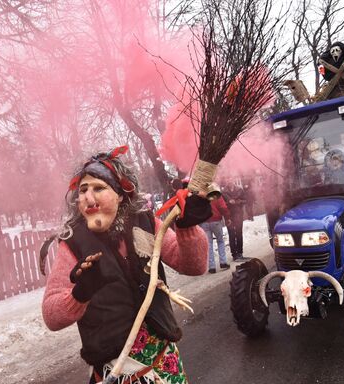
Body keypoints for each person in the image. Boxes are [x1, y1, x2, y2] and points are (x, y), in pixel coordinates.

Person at [41, 146, 210, 384]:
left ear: (121, 194)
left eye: (99, 188)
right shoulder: (73, 243)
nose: (88, 198)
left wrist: (187, 228)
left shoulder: (146, 222)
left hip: (164, 366)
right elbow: (51, 315)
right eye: (83, 190)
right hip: (117, 374)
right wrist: (79, 295)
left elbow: (194, 265)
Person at [199, 192, 231, 273]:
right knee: (220, 241)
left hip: (204, 222)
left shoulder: (199, 195)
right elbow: (223, 207)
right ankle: (223, 262)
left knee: (209, 244)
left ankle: (212, 267)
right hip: (216, 220)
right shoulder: (215, 194)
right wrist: (227, 218)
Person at [223, 180, 247, 262]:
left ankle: (240, 252)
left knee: (239, 233)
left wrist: (238, 202)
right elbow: (222, 205)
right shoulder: (223, 192)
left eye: (231, 178)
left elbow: (245, 200)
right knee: (231, 235)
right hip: (228, 216)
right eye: (228, 178)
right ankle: (234, 254)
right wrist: (228, 202)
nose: (230, 180)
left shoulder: (239, 190)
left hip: (239, 214)